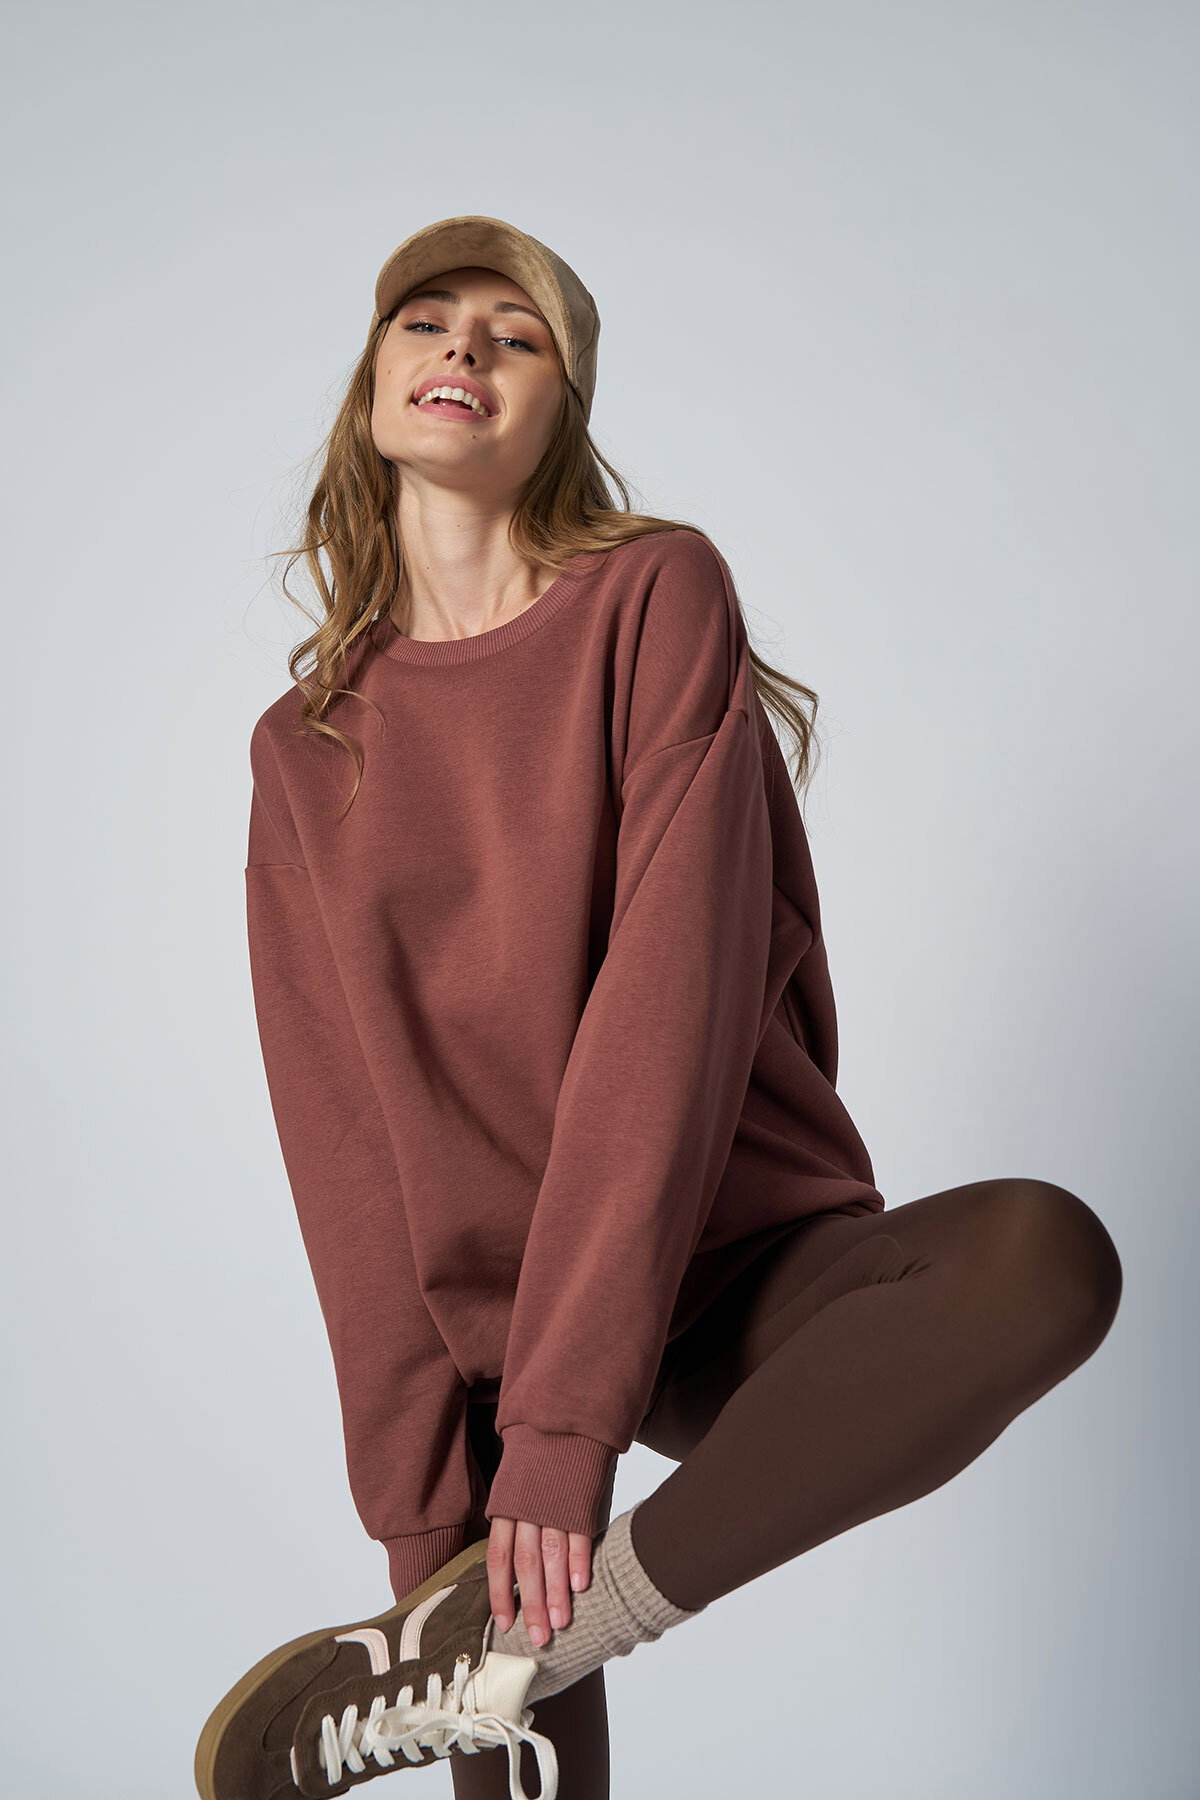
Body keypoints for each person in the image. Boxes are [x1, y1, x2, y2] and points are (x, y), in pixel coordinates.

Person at [194, 216, 1124, 1800]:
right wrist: (430, 1527)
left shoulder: (652, 597)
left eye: (517, 334)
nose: (464, 346)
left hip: (725, 1271)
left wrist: (565, 1447)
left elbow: (667, 1010)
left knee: (1040, 1256)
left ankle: (530, 1642)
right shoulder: (307, 747)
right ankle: (462, 1646)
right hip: (495, 1356)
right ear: (372, 386)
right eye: (426, 320)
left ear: (563, 411)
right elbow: (342, 1137)